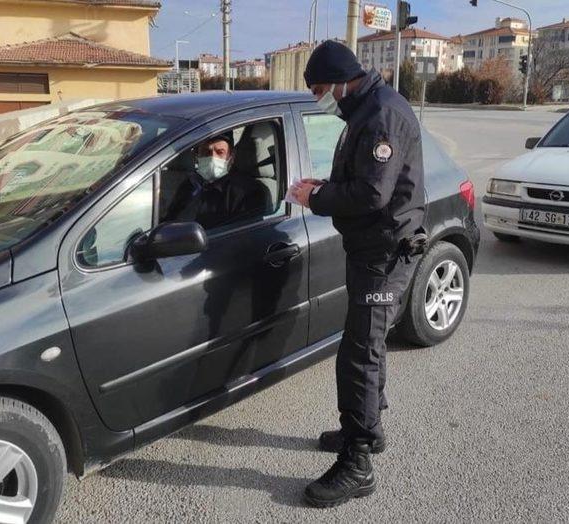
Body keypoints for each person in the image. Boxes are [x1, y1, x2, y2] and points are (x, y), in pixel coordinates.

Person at [290, 41, 425, 507]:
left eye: (319, 90)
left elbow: (371, 194)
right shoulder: (366, 107)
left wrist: (315, 199)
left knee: (358, 354)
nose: (317, 99)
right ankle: (367, 428)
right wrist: (325, 187)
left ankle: (359, 461)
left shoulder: (382, 115)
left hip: (384, 253)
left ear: (338, 79)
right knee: (367, 346)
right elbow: (365, 181)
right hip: (372, 248)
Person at [165, 132, 270, 229]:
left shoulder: (246, 192)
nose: (212, 158)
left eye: (220, 152)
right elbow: (168, 221)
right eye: (206, 152)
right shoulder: (190, 185)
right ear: (196, 156)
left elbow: (242, 238)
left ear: (231, 157)